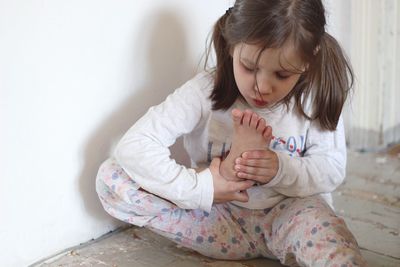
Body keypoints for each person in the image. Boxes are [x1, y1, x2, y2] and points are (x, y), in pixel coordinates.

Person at [96, 0, 367, 266]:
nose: (261, 86)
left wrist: (278, 169)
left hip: (291, 216)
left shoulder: (313, 97)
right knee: (112, 178)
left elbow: (330, 170)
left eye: (282, 74)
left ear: (308, 60)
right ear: (231, 46)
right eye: (249, 68)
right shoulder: (204, 91)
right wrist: (203, 188)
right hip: (217, 221)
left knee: (335, 246)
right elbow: (134, 146)